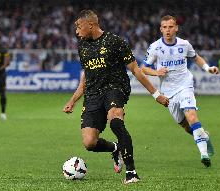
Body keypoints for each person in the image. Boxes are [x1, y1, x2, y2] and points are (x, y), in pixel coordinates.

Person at [62, 10, 169, 184]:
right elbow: (86, 76)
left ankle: (131, 172)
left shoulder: (115, 42)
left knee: (115, 120)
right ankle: (115, 147)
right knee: (89, 142)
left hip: (115, 88)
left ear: (91, 24)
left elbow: (136, 70)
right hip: (92, 95)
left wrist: (156, 94)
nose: (76, 31)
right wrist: (73, 100)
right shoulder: (82, 45)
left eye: (79, 26)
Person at [142, 15, 219, 167]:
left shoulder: (184, 44)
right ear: (161, 29)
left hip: (185, 85)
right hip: (168, 92)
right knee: (186, 126)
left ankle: (203, 154)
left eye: (170, 27)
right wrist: (156, 73)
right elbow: (143, 68)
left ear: (176, 28)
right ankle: (205, 137)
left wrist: (207, 68)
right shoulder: (155, 47)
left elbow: (196, 58)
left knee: (191, 115)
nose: (167, 30)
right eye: (164, 27)